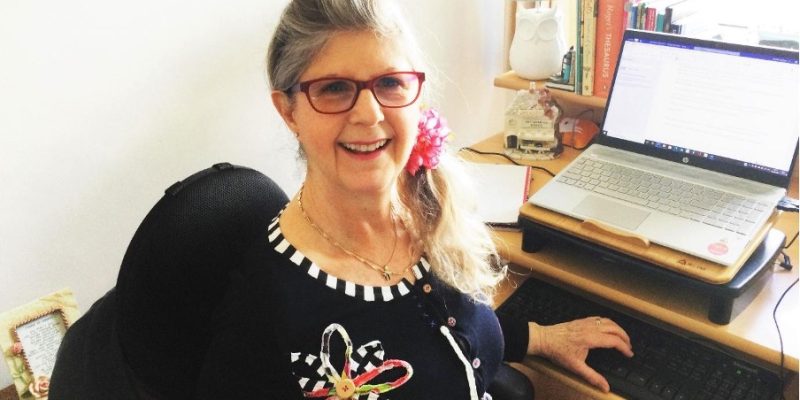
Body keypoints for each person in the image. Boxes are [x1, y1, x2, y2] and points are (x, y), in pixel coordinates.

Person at [192, 0, 635, 398]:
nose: (369, 114)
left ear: (416, 96)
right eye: (333, 89)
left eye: (390, 83)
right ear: (289, 110)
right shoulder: (264, 311)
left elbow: (439, 334)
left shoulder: (426, 212)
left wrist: (538, 338)